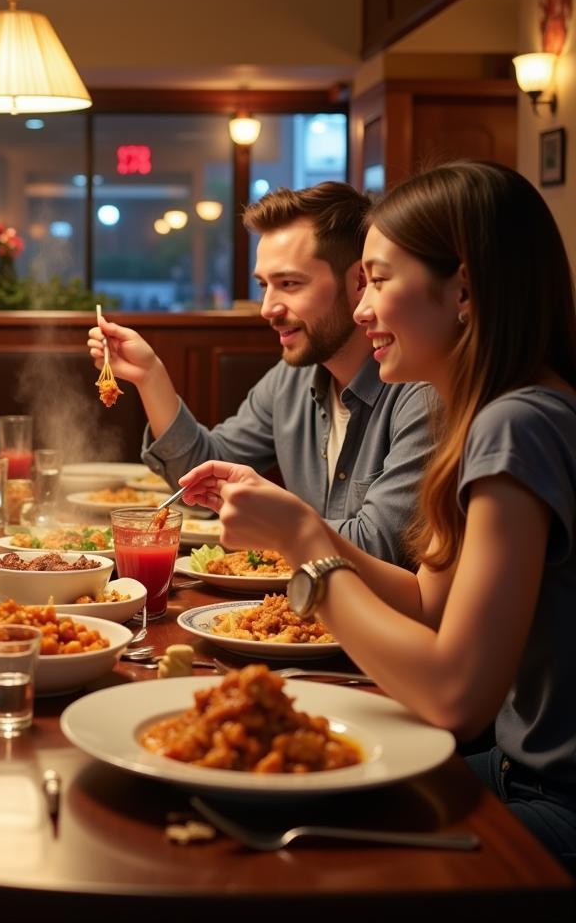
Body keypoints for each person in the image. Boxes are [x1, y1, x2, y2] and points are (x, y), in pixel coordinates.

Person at [180, 161, 576, 868]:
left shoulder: (518, 425)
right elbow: (427, 603)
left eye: (381, 280)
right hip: (515, 773)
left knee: (274, 860)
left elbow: (455, 696)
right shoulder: (491, 411)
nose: (363, 311)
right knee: (233, 789)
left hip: (552, 802)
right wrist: (304, 533)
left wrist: (304, 545)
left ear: (462, 289)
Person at [88, 182, 434, 566]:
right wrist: (150, 376)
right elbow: (203, 476)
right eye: (263, 286)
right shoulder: (292, 379)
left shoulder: (421, 391)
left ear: (359, 282)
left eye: (289, 284)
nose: (267, 307)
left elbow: (379, 546)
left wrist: (279, 521)